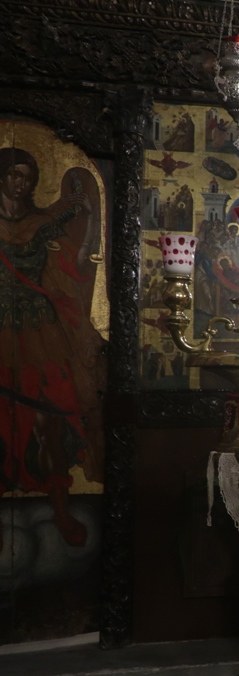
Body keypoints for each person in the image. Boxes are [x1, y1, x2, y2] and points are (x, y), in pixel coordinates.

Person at [0, 146, 106, 553]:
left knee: (51, 424)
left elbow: (76, 267)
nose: (21, 183)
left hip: (40, 334)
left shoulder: (43, 226)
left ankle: (61, 510)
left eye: (27, 176)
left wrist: (91, 221)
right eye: (14, 174)